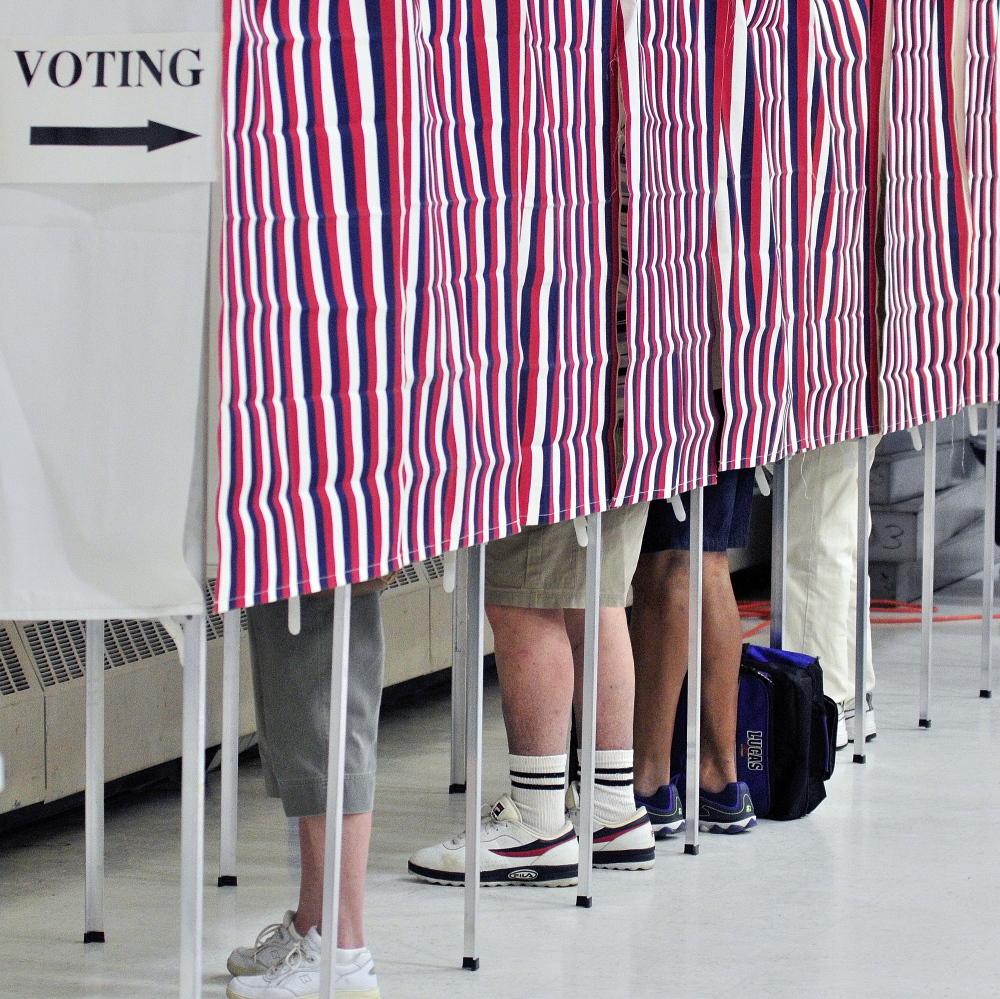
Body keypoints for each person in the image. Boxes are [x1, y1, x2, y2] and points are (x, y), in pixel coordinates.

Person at [407, 504, 655, 886]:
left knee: (525, 600)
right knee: (593, 595)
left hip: (547, 449)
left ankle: (537, 826)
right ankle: (609, 806)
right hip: (619, 446)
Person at [225, 586, 386, 999]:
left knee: (326, 717)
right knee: (300, 709)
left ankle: (343, 951)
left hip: (328, 535)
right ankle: (313, 926)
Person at [629, 398, 758, 836]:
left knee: (669, 564)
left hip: (685, 372)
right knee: (710, 561)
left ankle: (649, 782)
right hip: (740, 369)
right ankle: (720, 780)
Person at [784, 438, 880, 748]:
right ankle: (850, 696)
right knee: (842, 535)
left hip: (819, 395)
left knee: (814, 545)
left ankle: (820, 702)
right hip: (863, 393)